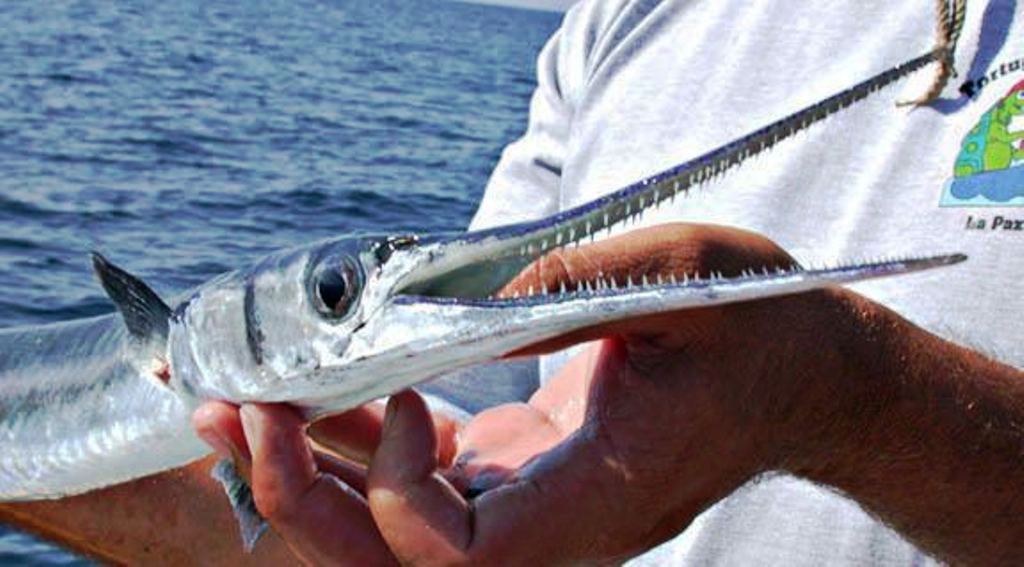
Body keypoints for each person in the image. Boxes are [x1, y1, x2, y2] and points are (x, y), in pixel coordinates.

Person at [4, 0, 1024, 564]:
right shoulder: (629, 16)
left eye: (332, 297)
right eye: (332, 296)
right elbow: (454, 447)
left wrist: (853, 401)